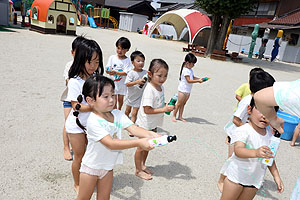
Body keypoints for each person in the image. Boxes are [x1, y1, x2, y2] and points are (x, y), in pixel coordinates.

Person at [75, 75, 159, 200]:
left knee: (104, 198)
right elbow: (111, 144)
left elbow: (133, 128)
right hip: (91, 168)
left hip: (108, 167)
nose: (111, 100)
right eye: (105, 96)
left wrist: (152, 135)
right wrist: (139, 143)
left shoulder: (117, 114)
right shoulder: (93, 121)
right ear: (90, 100)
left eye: (113, 95)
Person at [218, 70, 275, 193]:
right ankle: (222, 180)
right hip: (238, 132)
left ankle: (240, 182)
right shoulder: (247, 101)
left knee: (244, 159)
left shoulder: (263, 104)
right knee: (232, 160)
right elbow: (235, 119)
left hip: (248, 133)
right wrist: (249, 130)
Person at [220, 98, 284, 200]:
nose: (264, 116)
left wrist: (276, 176)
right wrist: (256, 152)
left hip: (254, 181)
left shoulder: (269, 136)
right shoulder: (243, 130)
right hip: (236, 177)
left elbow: (269, 158)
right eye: (261, 111)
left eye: (269, 113)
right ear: (249, 109)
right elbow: (238, 150)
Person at [65, 39, 104, 194]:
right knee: (79, 156)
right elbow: (76, 106)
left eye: (97, 62)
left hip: (91, 124)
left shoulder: (96, 79)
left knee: (92, 155)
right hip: (76, 125)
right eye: (90, 62)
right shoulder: (75, 82)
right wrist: (95, 107)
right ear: (81, 60)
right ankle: (77, 183)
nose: (94, 66)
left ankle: (90, 178)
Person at [134, 59, 174, 180]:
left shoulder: (160, 88)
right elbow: (147, 110)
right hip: (144, 124)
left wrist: (166, 106)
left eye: (165, 75)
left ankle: (143, 165)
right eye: (159, 75)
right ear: (150, 74)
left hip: (152, 123)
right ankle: (138, 170)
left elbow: (158, 104)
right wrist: (163, 109)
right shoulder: (149, 89)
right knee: (141, 147)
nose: (163, 78)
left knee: (149, 145)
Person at [61, 36, 87, 161]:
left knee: (81, 124)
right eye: (77, 53)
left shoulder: (86, 66)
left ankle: (78, 144)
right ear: (72, 53)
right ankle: (66, 147)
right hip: (69, 99)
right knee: (69, 123)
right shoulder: (70, 65)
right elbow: (68, 81)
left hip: (82, 100)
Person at [172, 53, 205, 122]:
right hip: (182, 90)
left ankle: (180, 116)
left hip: (188, 90)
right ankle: (174, 116)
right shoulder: (185, 70)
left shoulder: (190, 70)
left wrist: (200, 79)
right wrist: (198, 81)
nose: (193, 65)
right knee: (178, 104)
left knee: (183, 104)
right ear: (187, 63)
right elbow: (189, 80)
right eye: (192, 64)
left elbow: (192, 77)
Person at [106, 37, 131, 110]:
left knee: (120, 99)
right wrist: (108, 71)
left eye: (122, 49)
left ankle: (119, 109)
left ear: (127, 50)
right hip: (113, 83)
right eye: (118, 48)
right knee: (114, 99)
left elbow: (126, 72)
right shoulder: (112, 58)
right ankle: (115, 111)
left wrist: (116, 72)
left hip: (122, 84)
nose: (120, 51)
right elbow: (108, 68)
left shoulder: (127, 60)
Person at [124, 51, 147, 123]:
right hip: (130, 96)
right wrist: (137, 82)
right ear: (132, 62)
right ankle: (124, 121)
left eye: (143, 61)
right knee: (127, 111)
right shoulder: (131, 73)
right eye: (138, 61)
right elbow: (127, 84)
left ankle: (132, 127)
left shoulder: (145, 73)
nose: (141, 63)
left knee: (134, 113)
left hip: (139, 97)